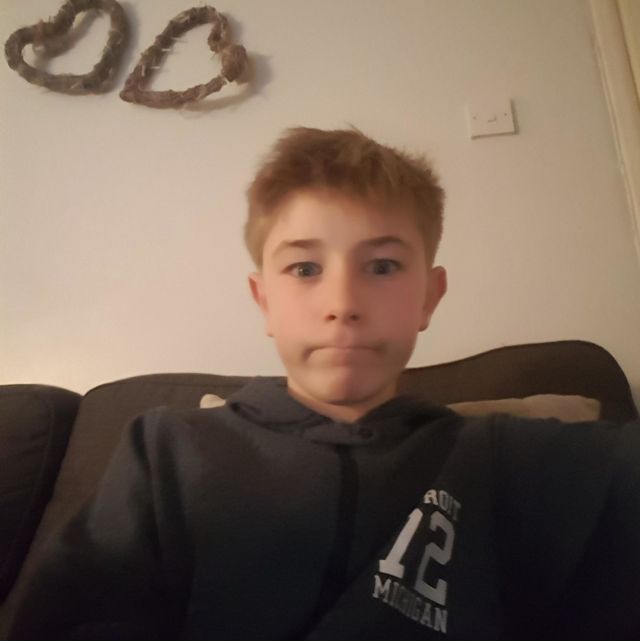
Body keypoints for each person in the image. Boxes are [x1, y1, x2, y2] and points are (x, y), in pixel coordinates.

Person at [7, 127, 640, 641]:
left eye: (382, 266)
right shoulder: (166, 450)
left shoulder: (507, 460)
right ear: (264, 300)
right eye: (305, 268)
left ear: (429, 296)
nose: (342, 303)